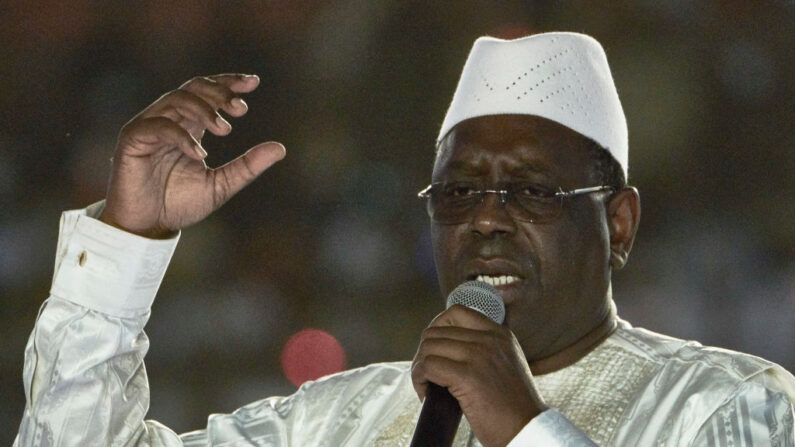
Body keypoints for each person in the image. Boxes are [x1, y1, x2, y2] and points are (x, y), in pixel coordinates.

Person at [14, 32, 795, 446]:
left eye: (528, 191)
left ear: (617, 223)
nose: (485, 219)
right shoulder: (339, 420)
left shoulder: (731, 404)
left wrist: (522, 426)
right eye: (457, 193)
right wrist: (126, 243)